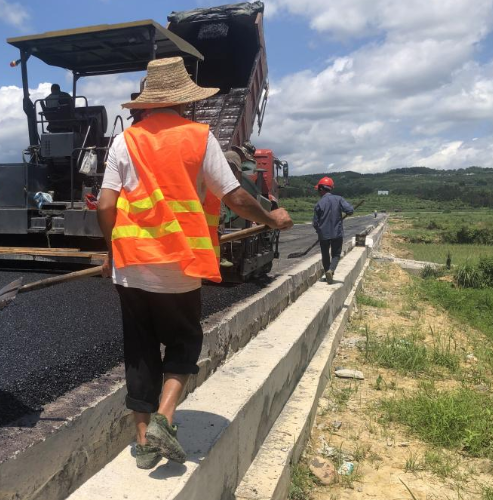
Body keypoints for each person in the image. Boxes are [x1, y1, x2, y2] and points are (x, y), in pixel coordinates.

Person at [97, 57, 293, 470]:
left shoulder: (124, 142)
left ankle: (143, 443)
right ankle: (165, 418)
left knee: (140, 351)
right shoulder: (199, 138)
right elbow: (236, 197)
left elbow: (105, 204)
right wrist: (271, 217)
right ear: (186, 103)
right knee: (184, 343)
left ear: (146, 105)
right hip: (178, 267)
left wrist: (111, 250)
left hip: (130, 266)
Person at [313, 176, 354, 284]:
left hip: (323, 235)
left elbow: (315, 223)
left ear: (321, 188)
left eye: (318, 189)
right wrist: (347, 212)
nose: (318, 192)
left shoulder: (319, 204)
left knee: (325, 254)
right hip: (337, 233)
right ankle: (331, 270)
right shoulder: (339, 199)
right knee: (336, 254)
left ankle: (327, 273)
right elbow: (350, 210)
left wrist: (319, 232)